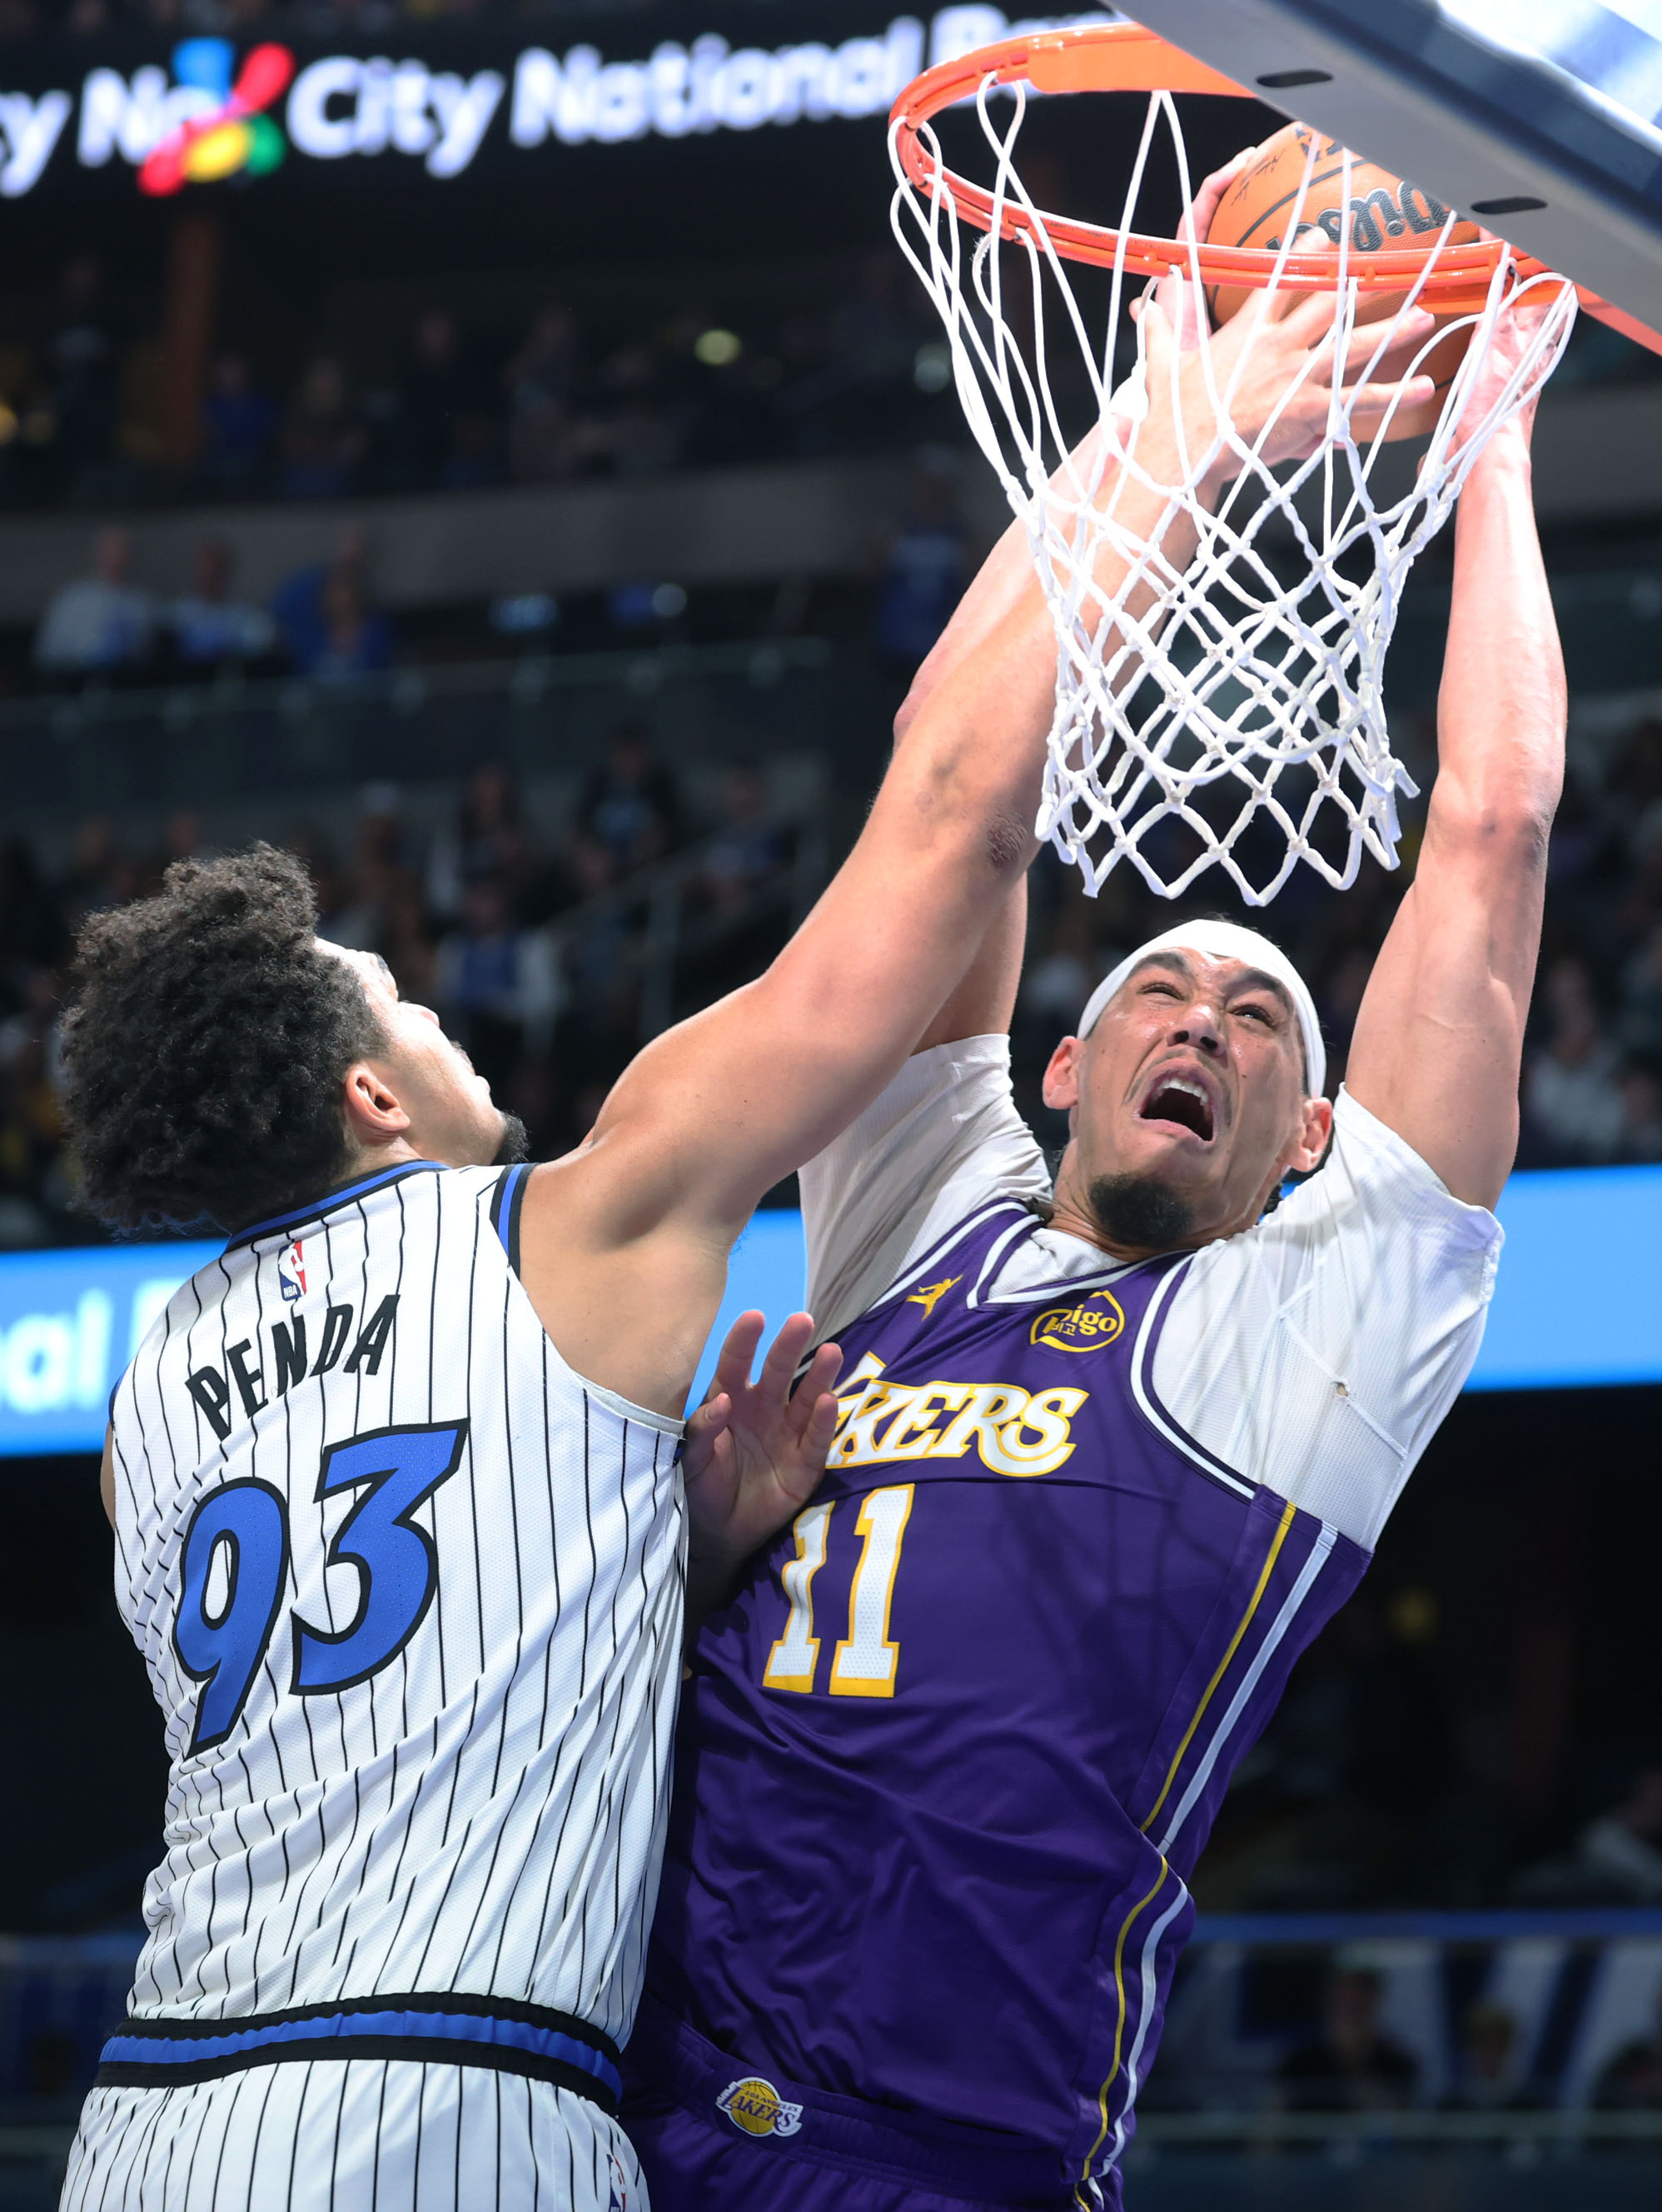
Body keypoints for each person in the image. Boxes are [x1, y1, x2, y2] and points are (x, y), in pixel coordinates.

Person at [53, 240, 1385, 2209]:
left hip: (150, 2113)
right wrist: (1158, 451)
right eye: (394, 1002)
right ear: (366, 1095)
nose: (430, 1005)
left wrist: (651, 1542)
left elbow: (387, 1658)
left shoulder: (144, 1398)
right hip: (448, 2101)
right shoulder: (574, 1225)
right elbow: (947, 828)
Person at [622, 212, 1565, 2210]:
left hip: (939, 2159)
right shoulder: (911, 1225)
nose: (1201, 1016)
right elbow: (960, 776)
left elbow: (1486, 830)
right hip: (634, 2112)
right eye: (1159, 983)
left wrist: (1491, 415)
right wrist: (1150, 424)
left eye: (1256, 1020)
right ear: (1057, 1066)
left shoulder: (1294, 1344)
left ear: (1307, 1140)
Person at [1278, 1958, 1419, 2113]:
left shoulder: (1399, 2065)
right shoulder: (1299, 2063)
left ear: (1376, 1998)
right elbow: (1274, 2126)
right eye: (1344, 1988)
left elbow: (1406, 2123)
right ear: (1328, 1995)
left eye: (1362, 1989)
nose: (1352, 1998)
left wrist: (1356, 2068)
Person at [34, 526, 153, 676]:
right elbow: (49, 654)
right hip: (78, 682)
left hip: (129, 681)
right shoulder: (72, 599)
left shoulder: (141, 602)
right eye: (111, 549)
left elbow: (146, 652)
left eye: (122, 550)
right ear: (98, 552)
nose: (116, 557)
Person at [167, 537, 276, 668]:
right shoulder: (176, 614)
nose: (211, 572)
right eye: (205, 565)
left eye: (217, 566)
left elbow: (259, 645)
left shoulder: (244, 617)